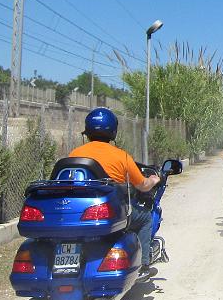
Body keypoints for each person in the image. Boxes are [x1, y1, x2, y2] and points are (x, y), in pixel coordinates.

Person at [69, 107, 160, 279]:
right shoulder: (121, 156)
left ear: (87, 131)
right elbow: (142, 185)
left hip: (79, 214)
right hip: (110, 214)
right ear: (113, 131)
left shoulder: (75, 154)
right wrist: (154, 180)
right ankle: (143, 265)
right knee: (146, 218)